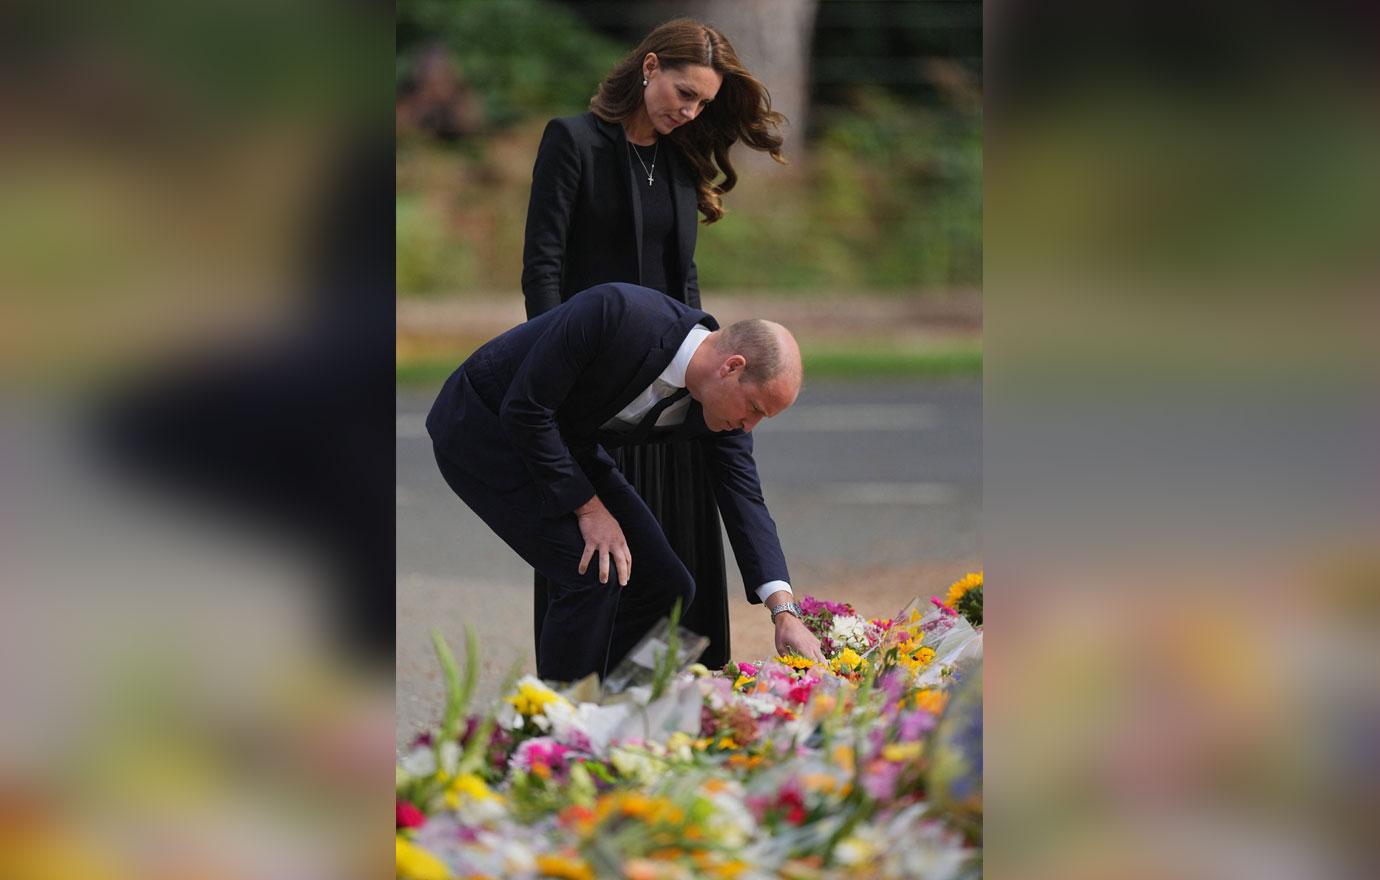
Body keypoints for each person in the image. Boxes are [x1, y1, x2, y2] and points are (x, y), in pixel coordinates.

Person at [521, 18, 787, 669]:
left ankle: (668, 720)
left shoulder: (680, 157)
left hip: (670, 388)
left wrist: (703, 368)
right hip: (591, 391)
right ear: (649, 69)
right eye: (684, 94)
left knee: (681, 568)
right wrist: (557, 378)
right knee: (600, 568)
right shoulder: (573, 142)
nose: (690, 111)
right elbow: (543, 266)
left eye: (702, 103)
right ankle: (581, 710)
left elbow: (684, 280)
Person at [427, 283, 825, 683]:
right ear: (732, 367)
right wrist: (588, 507)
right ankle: (556, 728)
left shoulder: (720, 408)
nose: (749, 425)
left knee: (668, 588)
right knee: (591, 574)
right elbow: (526, 410)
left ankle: (621, 708)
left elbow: (744, 497)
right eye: (754, 408)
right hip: (484, 428)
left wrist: (783, 612)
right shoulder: (615, 313)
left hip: (568, 445)